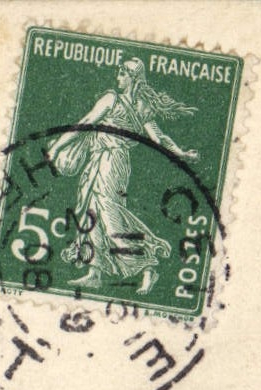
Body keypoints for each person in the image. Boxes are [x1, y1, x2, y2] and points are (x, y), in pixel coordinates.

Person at [48, 59, 198, 295]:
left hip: (111, 162)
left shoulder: (115, 101)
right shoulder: (132, 104)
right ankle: (95, 272)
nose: (118, 77)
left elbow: (87, 123)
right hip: (100, 160)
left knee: (110, 216)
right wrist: (181, 152)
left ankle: (147, 265)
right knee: (92, 213)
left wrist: (57, 146)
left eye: (122, 73)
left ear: (133, 77)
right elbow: (158, 138)